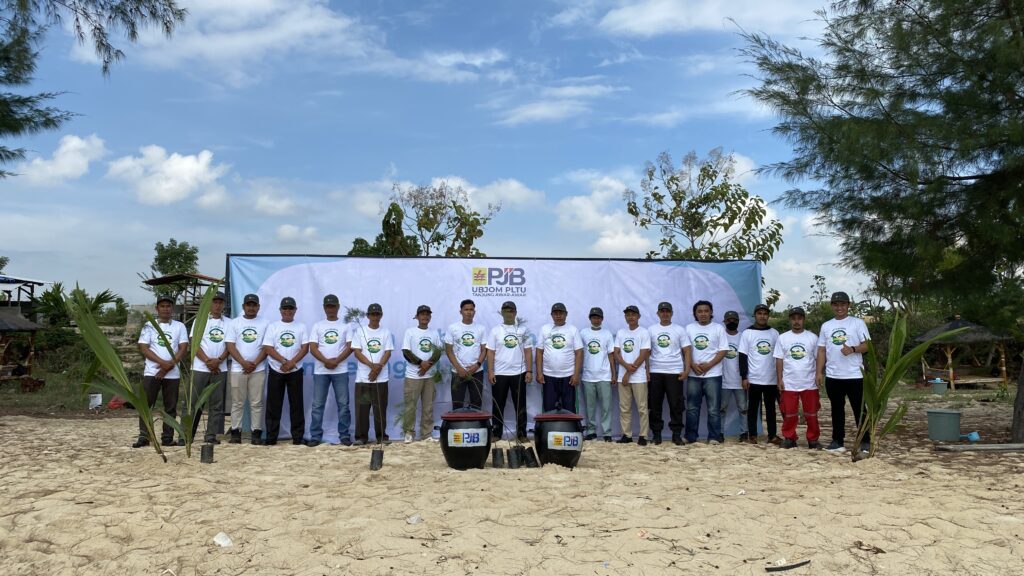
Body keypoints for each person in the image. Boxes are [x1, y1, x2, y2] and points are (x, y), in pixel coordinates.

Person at [816, 291, 871, 453]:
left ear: (848, 305)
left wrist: (853, 349)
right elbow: (821, 351)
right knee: (836, 409)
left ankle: (865, 441)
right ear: (832, 306)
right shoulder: (826, 326)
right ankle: (837, 441)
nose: (839, 307)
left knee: (859, 409)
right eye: (836, 304)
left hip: (854, 375)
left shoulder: (857, 323)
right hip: (833, 376)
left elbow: (867, 346)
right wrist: (819, 372)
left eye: (843, 304)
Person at [133, 295, 189, 448]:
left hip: (173, 374)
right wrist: (162, 363)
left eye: (168, 306)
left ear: (172, 308)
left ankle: (167, 438)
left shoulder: (179, 326)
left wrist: (170, 364)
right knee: (146, 405)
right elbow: (144, 348)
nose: (165, 309)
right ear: (157, 308)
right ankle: (144, 437)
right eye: (162, 306)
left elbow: (183, 348)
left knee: (170, 407)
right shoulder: (149, 325)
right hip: (152, 372)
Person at [306, 294, 353, 447]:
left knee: (343, 405)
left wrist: (337, 361)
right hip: (321, 371)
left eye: (333, 306)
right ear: (324, 308)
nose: (331, 308)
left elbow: (350, 346)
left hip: (340, 370)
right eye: (328, 306)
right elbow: (312, 347)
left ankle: (344, 435)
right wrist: (326, 361)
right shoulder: (318, 325)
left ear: (338, 307)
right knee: (318, 405)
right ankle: (315, 436)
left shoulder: (345, 325)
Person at [262, 297, 309, 446]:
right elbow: (268, 348)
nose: (287, 311)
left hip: (295, 370)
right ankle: (271, 437)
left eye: (290, 308)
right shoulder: (273, 326)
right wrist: (283, 362)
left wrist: (292, 363)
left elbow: (305, 348)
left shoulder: (301, 326)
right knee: (273, 405)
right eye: (285, 308)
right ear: (280, 310)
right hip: (276, 370)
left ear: (295, 310)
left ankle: (298, 438)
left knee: (297, 405)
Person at [683, 300, 730, 444]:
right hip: (693, 374)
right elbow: (684, 350)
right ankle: (691, 437)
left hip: (713, 375)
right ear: (695, 314)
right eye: (700, 311)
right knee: (691, 408)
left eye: (706, 311)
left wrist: (709, 365)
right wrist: (691, 365)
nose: (703, 314)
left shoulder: (718, 328)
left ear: (711, 313)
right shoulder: (689, 328)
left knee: (713, 408)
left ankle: (714, 437)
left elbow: (723, 350)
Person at [775, 307, 821, 449]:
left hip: (809, 382)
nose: (796, 321)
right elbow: (779, 359)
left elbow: (818, 358)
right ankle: (789, 437)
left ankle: (813, 439)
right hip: (789, 382)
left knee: (811, 414)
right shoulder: (783, 338)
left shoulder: (812, 338)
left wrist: (819, 374)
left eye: (799, 318)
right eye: (793, 318)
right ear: (790, 320)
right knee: (789, 413)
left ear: (803, 320)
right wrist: (779, 379)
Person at [225, 293, 269, 445]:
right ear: (243, 306)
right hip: (238, 369)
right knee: (237, 402)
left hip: (258, 369)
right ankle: (235, 432)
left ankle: (256, 432)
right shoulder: (234, 323)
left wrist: (255, 363)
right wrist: (243, 363)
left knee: (256, 402)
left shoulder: (265, 323)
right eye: (248, 305)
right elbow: (230, 345)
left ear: (258, 307)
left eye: (254, 305)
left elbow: (266, 346)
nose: (251, 307)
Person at [187, 291, 230, 445]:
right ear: (209, 304)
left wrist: (218, 361)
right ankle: (186, 435)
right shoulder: (200, 320)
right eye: (214, 302)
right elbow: (194, 343)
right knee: (193, 404)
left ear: (224, 304)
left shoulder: (229, 323)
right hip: (200, 367)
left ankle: (211, 435)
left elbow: (230, 345)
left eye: (220, 302)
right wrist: (207, 360)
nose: (217, 305)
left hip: (220, 368)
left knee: (216, 405)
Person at [486, 300, 533, 440]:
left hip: (519, 373)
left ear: (515, 312)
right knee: (498, 405)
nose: (509, 313)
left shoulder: (523, 330)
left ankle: (521, 434)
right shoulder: (495, 330)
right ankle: (496, 433)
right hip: (500, 373)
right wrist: (490, 371)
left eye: (511, 310)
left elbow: (528, 351)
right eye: (506, 310)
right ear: (502, 313)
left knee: (520, 405)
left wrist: (529, 371)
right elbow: (490, 352)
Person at [646, 301, 690, 445]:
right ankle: (656, 434)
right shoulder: (651, 330)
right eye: (662, 311)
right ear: (658, 313)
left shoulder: (679, 330)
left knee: (676, 405)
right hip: (655, 372)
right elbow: (647, 352)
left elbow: (687, 351)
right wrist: (647, 371)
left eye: (667, 311)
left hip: (674, 372)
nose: (665, 314)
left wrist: (687, 369)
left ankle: (676, 434)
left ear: (672, 313)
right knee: (655, 405)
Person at [351, 303, 394, 445]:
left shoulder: (385, 332)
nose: (375, 317)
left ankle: (381, 436)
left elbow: (388, 352)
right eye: (372, 314)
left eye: (377, 314)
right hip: (363, 377)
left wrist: (378, 368)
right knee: (362, 410)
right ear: (368, 316)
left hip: (380, 378)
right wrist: (371, 366)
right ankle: (361, 437)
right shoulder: (360, 331)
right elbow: (357, 352)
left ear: (381, 316)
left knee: (380, 409)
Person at [739, 303, 781, 445]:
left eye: (765, 314)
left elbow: (780, 356)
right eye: (759, 313)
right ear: (755, 315)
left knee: (771, 409)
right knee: (753, 409)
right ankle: (753, 435)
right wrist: (744, 377)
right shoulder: (747, 333)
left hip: (771, 379)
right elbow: (743, 356)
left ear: (768, 316)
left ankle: (772, 435)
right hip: (754, 378)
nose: (762, 316)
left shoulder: (774, 333)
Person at [401, 304, 442, 443]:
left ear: (430, 317)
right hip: (413, 375)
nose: (425, 316)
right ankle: (409, 433)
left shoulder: (434, 333)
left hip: (429, 376)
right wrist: (420, 363)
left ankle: (426, 434)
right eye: (422, 314)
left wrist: (427, 365)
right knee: (410, 406)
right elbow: (406, 352)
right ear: (417, 317)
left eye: (427, 314)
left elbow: (437, 352)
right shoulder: (410, 332)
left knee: (428, 406)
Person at [537, 302, 584, 412]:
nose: (558, 315)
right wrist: (539, 373)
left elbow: (579, 353)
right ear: (551, 315)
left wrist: (576, 374)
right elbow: (539, 352)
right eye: (555, 313)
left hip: (568, 376)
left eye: (561, 313)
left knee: (569, 408)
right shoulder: (544, 329)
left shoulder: (573, 330)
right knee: (548, 409)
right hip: (548, 376)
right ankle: (548, 429)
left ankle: (571, 430)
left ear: (566, 314)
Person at [615, 305, 651, 445]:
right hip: (623, 376)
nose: (630, 317)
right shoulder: (621, 332)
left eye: (633, 314)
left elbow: (644, 354)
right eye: (628, 315)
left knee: (642, 407)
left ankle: (643, 435)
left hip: (638, 376)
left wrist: (628, 373)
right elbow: (616, 353)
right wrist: (625, 367)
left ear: (638, 316)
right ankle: (627, 435)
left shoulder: (643, 332)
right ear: (625, 317)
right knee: (624, 407)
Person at [581, 307, 616, 441]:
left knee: (606, 407)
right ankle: (591, 431)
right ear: (590, 318)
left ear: (602, 319)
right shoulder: (583, 333)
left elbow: (611, 355)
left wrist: (613, 374)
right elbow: (578, 354)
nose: (596, 319)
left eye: (598, 317)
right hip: (588, 376)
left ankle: (607, 432)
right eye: (594, 317)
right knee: (590, 407)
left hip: (604, 376)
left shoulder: (607, 334)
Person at [444, 299, 487, 410]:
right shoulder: (453, 328)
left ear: (474, 312)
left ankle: (476, 427)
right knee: (457, 403)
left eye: (471, 310)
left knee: (476, 403)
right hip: (458, 372)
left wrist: (476, 366)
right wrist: (459, 368)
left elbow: (484, 350)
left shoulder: (481, 328)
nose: (469, 312)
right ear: (461, 312)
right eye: (466, 309)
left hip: (476, 371)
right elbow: (449, 350)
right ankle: (458, 427)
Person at [720, 310, 747, 442]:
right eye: (729, 320)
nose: (732, 322)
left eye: (734, 320)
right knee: (721, 409)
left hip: (740, 381)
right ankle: (719, 433)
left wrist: (745, 377)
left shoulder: (744, 336)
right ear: (724, 321)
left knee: (743, 409)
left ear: (738, 321)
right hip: (723, 381)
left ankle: (744, 433)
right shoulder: (720, 336)